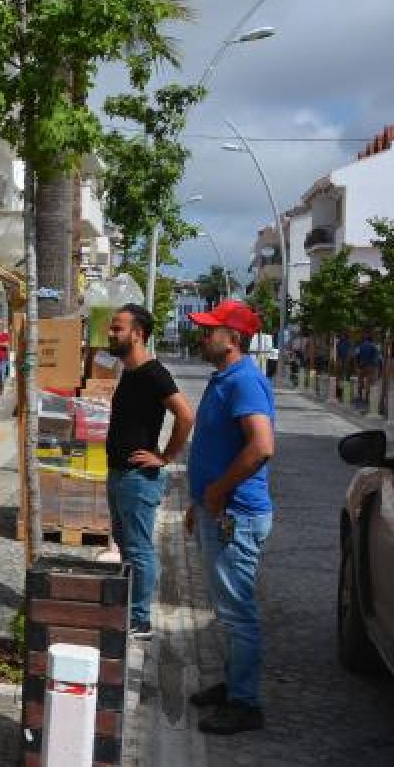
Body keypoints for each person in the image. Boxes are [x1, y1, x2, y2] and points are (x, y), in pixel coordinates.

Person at [184, 300, 276, 735]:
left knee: (239, 613)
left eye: (211, 330)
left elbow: (261, 446)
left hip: (235, 515)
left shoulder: (245, 382)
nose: (203, 336)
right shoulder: (225, 377)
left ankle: (245, 703)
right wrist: (198, 500)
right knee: (227, 609)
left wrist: (217, 493)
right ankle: (234, 683)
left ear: (233, 338)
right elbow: (215, 448)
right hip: (217, 509)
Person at [105, 304, 195, 639]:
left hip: (137, 479)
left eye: (117, 329)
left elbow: (186, 416)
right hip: (119, 475)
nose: (110, 334)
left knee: (139, 548)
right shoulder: (128, 371)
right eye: (112, 328)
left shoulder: (154, 373)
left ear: (138, 334)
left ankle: (141, 620)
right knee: (126, 545)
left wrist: (166, 456)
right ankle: (130, 609)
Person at [355, 331, 382, 408]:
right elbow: (379, 358)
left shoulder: (360, 346)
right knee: (369, 382)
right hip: (371, 367)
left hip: (361, 366)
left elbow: (356, 356)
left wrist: (357, 366)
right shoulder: (375, 346)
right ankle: (367, 398)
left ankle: (360, 397)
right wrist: (379, 368)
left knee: (360, 381)